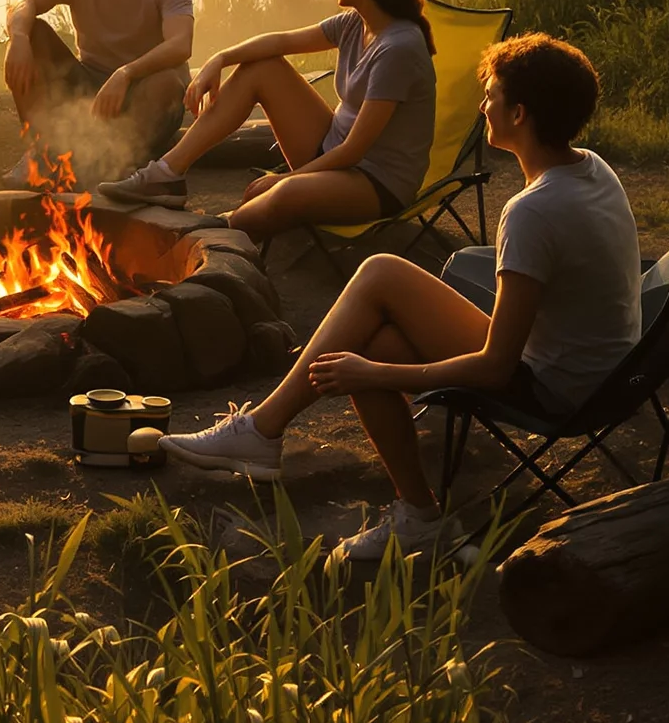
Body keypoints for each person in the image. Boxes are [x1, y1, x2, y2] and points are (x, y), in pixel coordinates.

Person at [160, 33, 643, 564]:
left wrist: (375, 374)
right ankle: (414, 513)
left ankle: (263, 430)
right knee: (374, 333)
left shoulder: (534, 211)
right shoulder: (591, 168)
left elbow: (495, 366)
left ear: (519, 114)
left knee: (378, 285)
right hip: (607, 375)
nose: (482, 107)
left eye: (491, 96)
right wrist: (371, 365)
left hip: (558, 388)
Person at [99, 0, 437, 241]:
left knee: (284, 194)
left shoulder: (398, 48)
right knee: (262, 68)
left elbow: (355, 150)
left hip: (375, 181)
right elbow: (279, 42)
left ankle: (216, 234)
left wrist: (285, 179)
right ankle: (166, 174)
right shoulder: (355, 23)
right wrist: (220, 59)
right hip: (333, 150)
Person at [3, 0, 193, 183]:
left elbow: (181, 44)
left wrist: (126, 73)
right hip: (89, 91)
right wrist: (19, 39)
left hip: (145, 93)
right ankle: (44, 153)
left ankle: (120, 165)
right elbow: (25, 1)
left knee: (168, 83)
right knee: (33, 32)